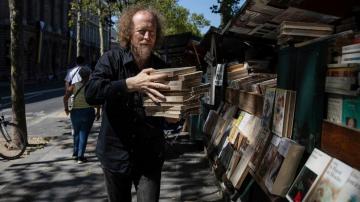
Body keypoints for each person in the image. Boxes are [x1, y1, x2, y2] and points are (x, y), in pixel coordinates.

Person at [85, 4, 171, 202]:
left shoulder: (163, 68)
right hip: (114, 156)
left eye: (152, 32)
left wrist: (172, 119)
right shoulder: (111, 59)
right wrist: (129, 84)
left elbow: (168, 113)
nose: (147, 37)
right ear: (129, 33)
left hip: (149, 157)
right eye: (142, 31)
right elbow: (91, 94)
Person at [64, 67, 100, 163]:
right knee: (84, 133)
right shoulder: (92, 86)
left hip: (75, 112)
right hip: (88, 112)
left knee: (76, 133)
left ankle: (75, 154)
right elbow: (96, 100)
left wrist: (66, 108)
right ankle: (80, 156)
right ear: (89, 75)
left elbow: (65, 97)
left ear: (79, 75)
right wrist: (98, 111)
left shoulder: (74, 86)